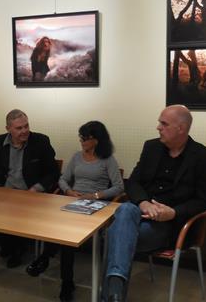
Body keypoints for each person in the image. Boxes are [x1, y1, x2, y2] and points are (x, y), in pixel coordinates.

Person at [103, 105, 206, 302]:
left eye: (163, 124)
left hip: (169, 226)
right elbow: (133, 182)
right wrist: (144, 203)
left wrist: (172, 213)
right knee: (127, 208)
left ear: (181, 128)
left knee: (116, 235)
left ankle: (112, 292)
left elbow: (201, 201)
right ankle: (115, 293)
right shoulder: (151, 147)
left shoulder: (204, 157)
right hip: (137, 215)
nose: (158, 128)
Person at [26, 121, 124, 302]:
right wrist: (69, 191)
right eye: (81, 137)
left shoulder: (108, 159)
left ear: (97, 140)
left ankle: (55, 269)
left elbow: (118, 187)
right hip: (72, 202)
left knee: (66, 236)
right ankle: (58, 272)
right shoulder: (77, 157)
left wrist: (96, 195)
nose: (82, 141)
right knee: (55, 225)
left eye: (85, 138)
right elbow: (63, 179)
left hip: (94, 206)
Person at [0, 109, 60, 268]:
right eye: (19, 128)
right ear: (8, 129)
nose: (24, 131)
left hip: (30, 193)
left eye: (26, 126)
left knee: (17, 213)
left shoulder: (40, 142)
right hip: (5, 192)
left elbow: (53, 172)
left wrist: (37, 188)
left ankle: (16, 250)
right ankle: (8, 245)